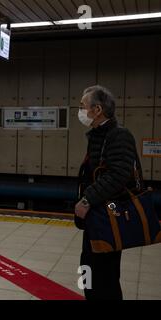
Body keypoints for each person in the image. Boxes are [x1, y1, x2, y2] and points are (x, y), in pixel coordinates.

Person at [75, 85, 144, 300]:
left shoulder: (119, 135)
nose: (80, 111)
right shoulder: (98, 135)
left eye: (82, 106)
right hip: (97, 217)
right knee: (88, 268)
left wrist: (87, 200)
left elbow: (118, 175)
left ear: (97, 109)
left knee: (105, 275)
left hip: (108, 217)